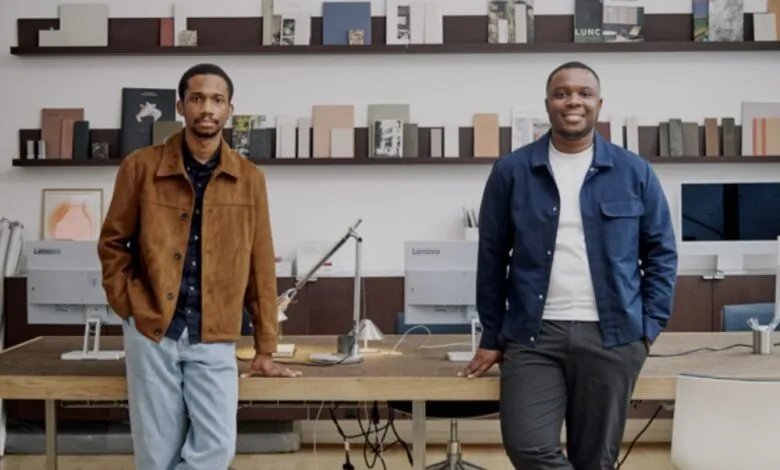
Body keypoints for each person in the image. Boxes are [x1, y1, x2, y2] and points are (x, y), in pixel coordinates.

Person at [462, 61, 678, 469]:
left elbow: (661, 253)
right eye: (562, 94)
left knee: (596, 459)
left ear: (599, 104)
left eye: (584, 93)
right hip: (532, 336)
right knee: (527, 446)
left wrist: (648, 329)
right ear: (548, 104)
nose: (573, 101)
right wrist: (491, 334)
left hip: (613, 336)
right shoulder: (511, 171)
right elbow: (491, 259)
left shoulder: (634, 171)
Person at [98, 63, 302, 470]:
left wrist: (265, 346)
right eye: (197, 98)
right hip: (152, 330)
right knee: (156, 455)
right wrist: (130, 307)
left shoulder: (249, 179)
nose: (206, 108)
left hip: (215, 332)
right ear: (181, 106)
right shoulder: (140, 167)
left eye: (216, 100)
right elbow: (112, 243)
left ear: (229, 110)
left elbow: (260, 265)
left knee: (217, 447)